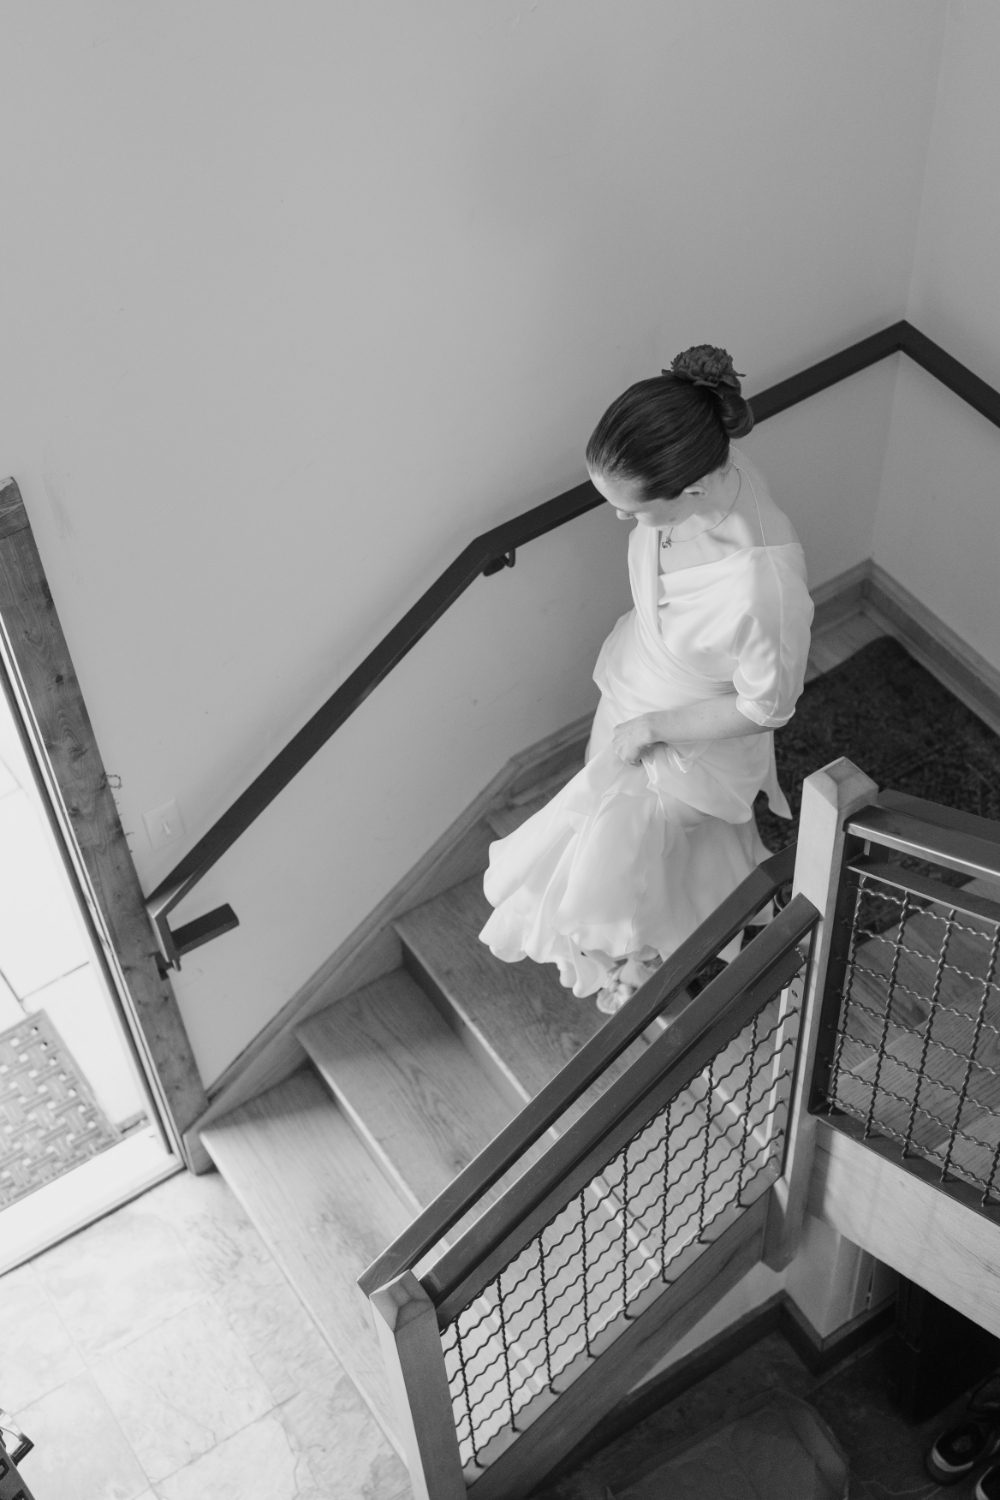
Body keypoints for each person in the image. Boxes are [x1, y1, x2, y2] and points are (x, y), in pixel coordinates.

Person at [479, 344, 814, 1014]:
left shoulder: (762, 587)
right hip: (633, 686)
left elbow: (768, 707)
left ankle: (645, 958)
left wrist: (654, 728)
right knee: (645, 853)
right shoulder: (707, 465)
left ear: (691, 490)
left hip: (690, 737)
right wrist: (633, 717)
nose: (619, 519)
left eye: (631, 511)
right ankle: (662, 943)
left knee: (624, 856)